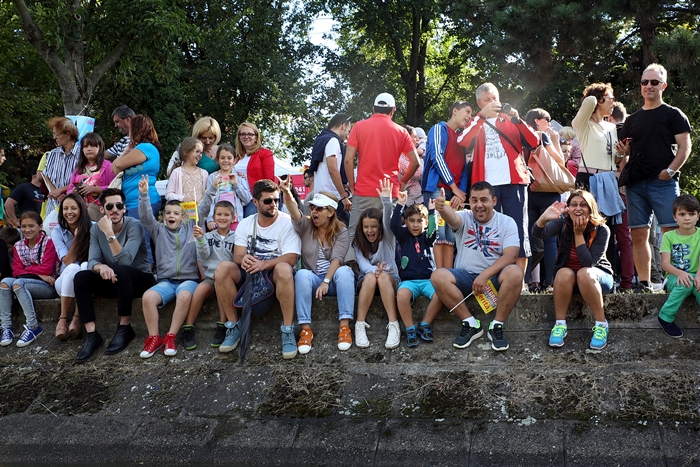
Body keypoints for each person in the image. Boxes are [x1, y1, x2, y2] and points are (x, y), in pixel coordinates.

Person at [618, 64, 692, 293]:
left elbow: (685, 147)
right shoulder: (631, 119)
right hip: (635, 184)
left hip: (664, 183)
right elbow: (626, 154)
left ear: (663, 86)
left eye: (654, 82)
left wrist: (669, 171)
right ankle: (644, 283)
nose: (648, 86)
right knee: (638, 234)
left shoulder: (674, 114)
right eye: (644, 82)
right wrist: (622, 160)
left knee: (672, 232)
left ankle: (677, 281)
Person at [457, 84, 539, 280]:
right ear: (479, 103)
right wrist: (481, 117)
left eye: (494, 98)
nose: (492, 102)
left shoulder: (510, 118)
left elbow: (534, 141)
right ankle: (493, 278)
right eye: (487, 100)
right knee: (489, 231)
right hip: (486, 186)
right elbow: (463, 141)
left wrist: (517, 119)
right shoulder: (476, 121)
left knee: (518, 229)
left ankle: (520, 281)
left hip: (514, 181)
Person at [431, 181, 524, 351]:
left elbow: (511, 256)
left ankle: (497, 325)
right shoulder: (465, 216)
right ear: (470, 202)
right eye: (474, 200)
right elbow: (453, 218)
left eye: (484, 200)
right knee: (438, 276)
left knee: (516, 272)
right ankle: (471, 323)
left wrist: (485, 275)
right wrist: (443, 208)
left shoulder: (507, 222)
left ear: (494, 201)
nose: (479, 205)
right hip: (465, 277)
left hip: (494, 279)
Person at [214, 179, 301, 359]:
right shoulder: (246, 223)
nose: (273, 204)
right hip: (251, 272)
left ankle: (287, 329)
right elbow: (237, 256)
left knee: (284, 269)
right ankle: (234, 325)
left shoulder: (287, 222)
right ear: (255, 202)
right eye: (268, 201)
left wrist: (264, 264)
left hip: (274, 271)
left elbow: (292, 257)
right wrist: (243, 259)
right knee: (222, 269)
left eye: (276, 200)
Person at [72, 188, 156, 363]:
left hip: (141, 280)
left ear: (124, 208)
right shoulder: (96, 230)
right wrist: (101, 266)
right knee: (81, 277)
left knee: (122, 270)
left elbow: (125, 260)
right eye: (109, 206)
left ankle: (125, 327)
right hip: (117, 280)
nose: (114, 210)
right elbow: (92, 260)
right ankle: (92, 334)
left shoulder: (134, 225)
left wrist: (109, 234)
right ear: (102, 209)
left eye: (119, 206)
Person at [138, 175, 211, 358]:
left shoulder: (191, 227)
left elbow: (203, 209)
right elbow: (146, 217)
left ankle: (171, 336)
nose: (171, 216)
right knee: (148, 297)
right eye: (168, 213)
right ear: (163, 216)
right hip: (166, 281)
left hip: (188, 280)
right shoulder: (158, 230)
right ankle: (154, 338)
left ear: (183, 217)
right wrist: (144, 195)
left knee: (184, 295)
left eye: (176, 213)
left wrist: (212, 190)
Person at [532, 190, 613, 350]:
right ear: (568, 208)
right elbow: (538, 233)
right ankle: (560, 325)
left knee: (584, 273)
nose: (578, 208)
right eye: (574, 204)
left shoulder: (602, 230)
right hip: (569, 281)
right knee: (563, 272)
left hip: (596, 278)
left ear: (590, 209)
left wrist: (578, 233)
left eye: (583, 205)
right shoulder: (563, 223)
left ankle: (601, 324)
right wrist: (544, 218)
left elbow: (588, 262)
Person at [280, 180, 354, 354]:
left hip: (333, 281)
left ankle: (344, 327)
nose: (314, 211)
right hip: (313, 280)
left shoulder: (342, 231)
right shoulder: (306, 225)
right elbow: (295, 212)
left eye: (319, 208)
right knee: (301, 274)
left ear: (331, 212)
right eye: (312, 207)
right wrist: (287, 192)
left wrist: (326, 281)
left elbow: (337, 259)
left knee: (345, 272)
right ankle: (306, 330)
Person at [344, 93, 419, 247]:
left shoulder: (359, 127)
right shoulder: (401, 131)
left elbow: (348, 160)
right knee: (387, 237)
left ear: (373, 109)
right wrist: (403, 181)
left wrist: (352, 186)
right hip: (390, 191)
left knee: (355, 236)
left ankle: (354, 263)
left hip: (363, 190)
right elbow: (415, 162)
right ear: (393, 110)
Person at [422, 100, 473, 269]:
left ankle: (448, 275)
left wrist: (461, 193)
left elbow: (464, 169)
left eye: (471, 114)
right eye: (467, 111)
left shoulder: (462, 138)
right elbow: (437, 157)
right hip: (436, 189)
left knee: (451, 236)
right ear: (455, 110)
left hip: (454, 193)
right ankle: (437, 276)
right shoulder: (439, 129)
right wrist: (455, 188)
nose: (469, 116)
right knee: (437, 233)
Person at [353, 178, 401, 349]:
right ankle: (359, 324)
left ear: (380, 227)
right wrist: (375, 270)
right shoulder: (358, 242)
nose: (370, 230)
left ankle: (393, 324)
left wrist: (386, 201)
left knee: (383, 277)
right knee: (371, 276)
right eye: (366, 227)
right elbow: (362, 263)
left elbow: (387, 221)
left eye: (374, 226)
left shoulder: (388, 237)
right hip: (368, 280)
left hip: (390, 278)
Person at [390, 190, 441, 348]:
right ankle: (410, 328)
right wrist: (400, 205)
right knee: (401, 295)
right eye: (411, 221)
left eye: (420, 221)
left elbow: (433, 230)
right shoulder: (403, 236)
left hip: (428, 280)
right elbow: (393, 225)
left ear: (425, 223)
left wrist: (431, 213)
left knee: (441, 295)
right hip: (409, 281)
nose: (415, 225)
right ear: (406, 222)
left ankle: (425, 324)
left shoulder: (428, 237)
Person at [0, 212, 59, 347]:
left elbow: (47, 269)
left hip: (47, 285)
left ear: (40, 226)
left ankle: (33, 326)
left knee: (18, 283)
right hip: (30, 281)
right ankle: (6, 327)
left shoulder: (49, 242)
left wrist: (28, 270)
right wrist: (38, 273)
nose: (27, 230)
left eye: (31, 226)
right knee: (4, 283)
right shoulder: (18, 245)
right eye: (24, 226)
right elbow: (16, 271)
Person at [184, 200, 237, 351]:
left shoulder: (237, 237)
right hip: (209, 277)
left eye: (226, 215)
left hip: (226, 279)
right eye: (219, 214)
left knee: (221, 286)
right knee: (200, 290)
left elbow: (236, 260)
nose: (222, 217)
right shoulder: (207, 236)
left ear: (233, 218)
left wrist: (223, 274)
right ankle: (188, 327)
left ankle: (222, 325)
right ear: (213, 217)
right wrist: (201, 239)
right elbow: (204, 254)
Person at [523, 108, 565, 293]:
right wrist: (555, 141)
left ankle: (525, 282)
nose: (549, 124)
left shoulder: (522, 135)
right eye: (546, 121)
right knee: (549, 239)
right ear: (537, 121)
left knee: (529, 237)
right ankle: (550, 283)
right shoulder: (542, 136)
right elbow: (560, 160)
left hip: (529, 189)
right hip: (547, 190)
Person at [657, 195, 700, 338]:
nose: (687, 218)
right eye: (682, 214)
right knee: (686, 283)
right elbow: (665, 264)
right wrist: (680, 273)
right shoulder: (669, 236)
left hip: (697, 276)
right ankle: (665, 317)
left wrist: (698, 276)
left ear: (698, 216)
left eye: (691, 214)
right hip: (674, 277)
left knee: (696, 285)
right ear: (674, 217)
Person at [52, 194, 92, 340]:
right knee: (74, 268)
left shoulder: (93, 227)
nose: (69, 212)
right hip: (64, 281)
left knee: (85, 266)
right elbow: (68, 261)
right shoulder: (57, 231)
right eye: (65, 208)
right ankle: (63, 318)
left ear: (81, 209)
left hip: (87, 280)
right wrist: (77, 238)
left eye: (73, 208)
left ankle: (76, 317)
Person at [307, 113, 353, 225]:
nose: (348, 135)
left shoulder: (321, 139)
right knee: (342, 232)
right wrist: (343, 196)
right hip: (332, 198)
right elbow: (332, 169)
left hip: (320, 197)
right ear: (343, 126)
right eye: (349, 130)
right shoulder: (333, 140)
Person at [66, 132, 115, 221]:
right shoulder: (78, 169)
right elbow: (69, 189)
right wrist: (73, 192)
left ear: (100, 147)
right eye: (85, 146)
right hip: (80, 212)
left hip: (99, 212)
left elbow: (115, 188)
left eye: (92, 146)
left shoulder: (108, 166)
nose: (89, 149)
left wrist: (96, 189)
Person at [204, 144, 252, 232]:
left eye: (229, 158)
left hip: (235, 219)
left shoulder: (239, 177)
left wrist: (236, 185)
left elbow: (247, 199)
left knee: (234, 240)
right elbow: (209, 199)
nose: (226, 160)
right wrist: (210, 219)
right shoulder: (212, 177)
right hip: (217, 219)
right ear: (217, 160)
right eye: (222, 158)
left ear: (235, 160)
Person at [42, 117, 81, 216]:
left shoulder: (82, 155)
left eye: (56, 134)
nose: (54, 138)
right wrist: (54, 192)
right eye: (53, 134)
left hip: (74, 205)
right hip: (53, 207)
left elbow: (82, 179)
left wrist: (61, 191)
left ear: (67, 135)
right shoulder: (52, 154)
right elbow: (45, 176)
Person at [234, 123, 275, 217]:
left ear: (256, 137)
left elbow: (269, 180)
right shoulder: (236, 157)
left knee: (250, 222)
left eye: (250, 134)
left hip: (255, 198)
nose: (246, 136)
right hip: (236, 198)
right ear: (239, 137)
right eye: (243, 134)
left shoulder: (265, 153)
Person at [166, 137, 208, 223]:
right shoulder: (177, 172)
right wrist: (183, 198)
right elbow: (168, 194)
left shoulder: (204, 173)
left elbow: (207, 195)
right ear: (187, 152)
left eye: (201, 152)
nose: (200, 155)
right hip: (181, 217)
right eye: (197, 151)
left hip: (199, 216)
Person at [398, 125, 424, 206]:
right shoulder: (401, 157)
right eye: (415, 137)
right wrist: (420, 158)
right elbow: (419, 173)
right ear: (407, 138)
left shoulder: (405, 155)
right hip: (408, 202)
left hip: (415, 199)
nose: (418, 139)